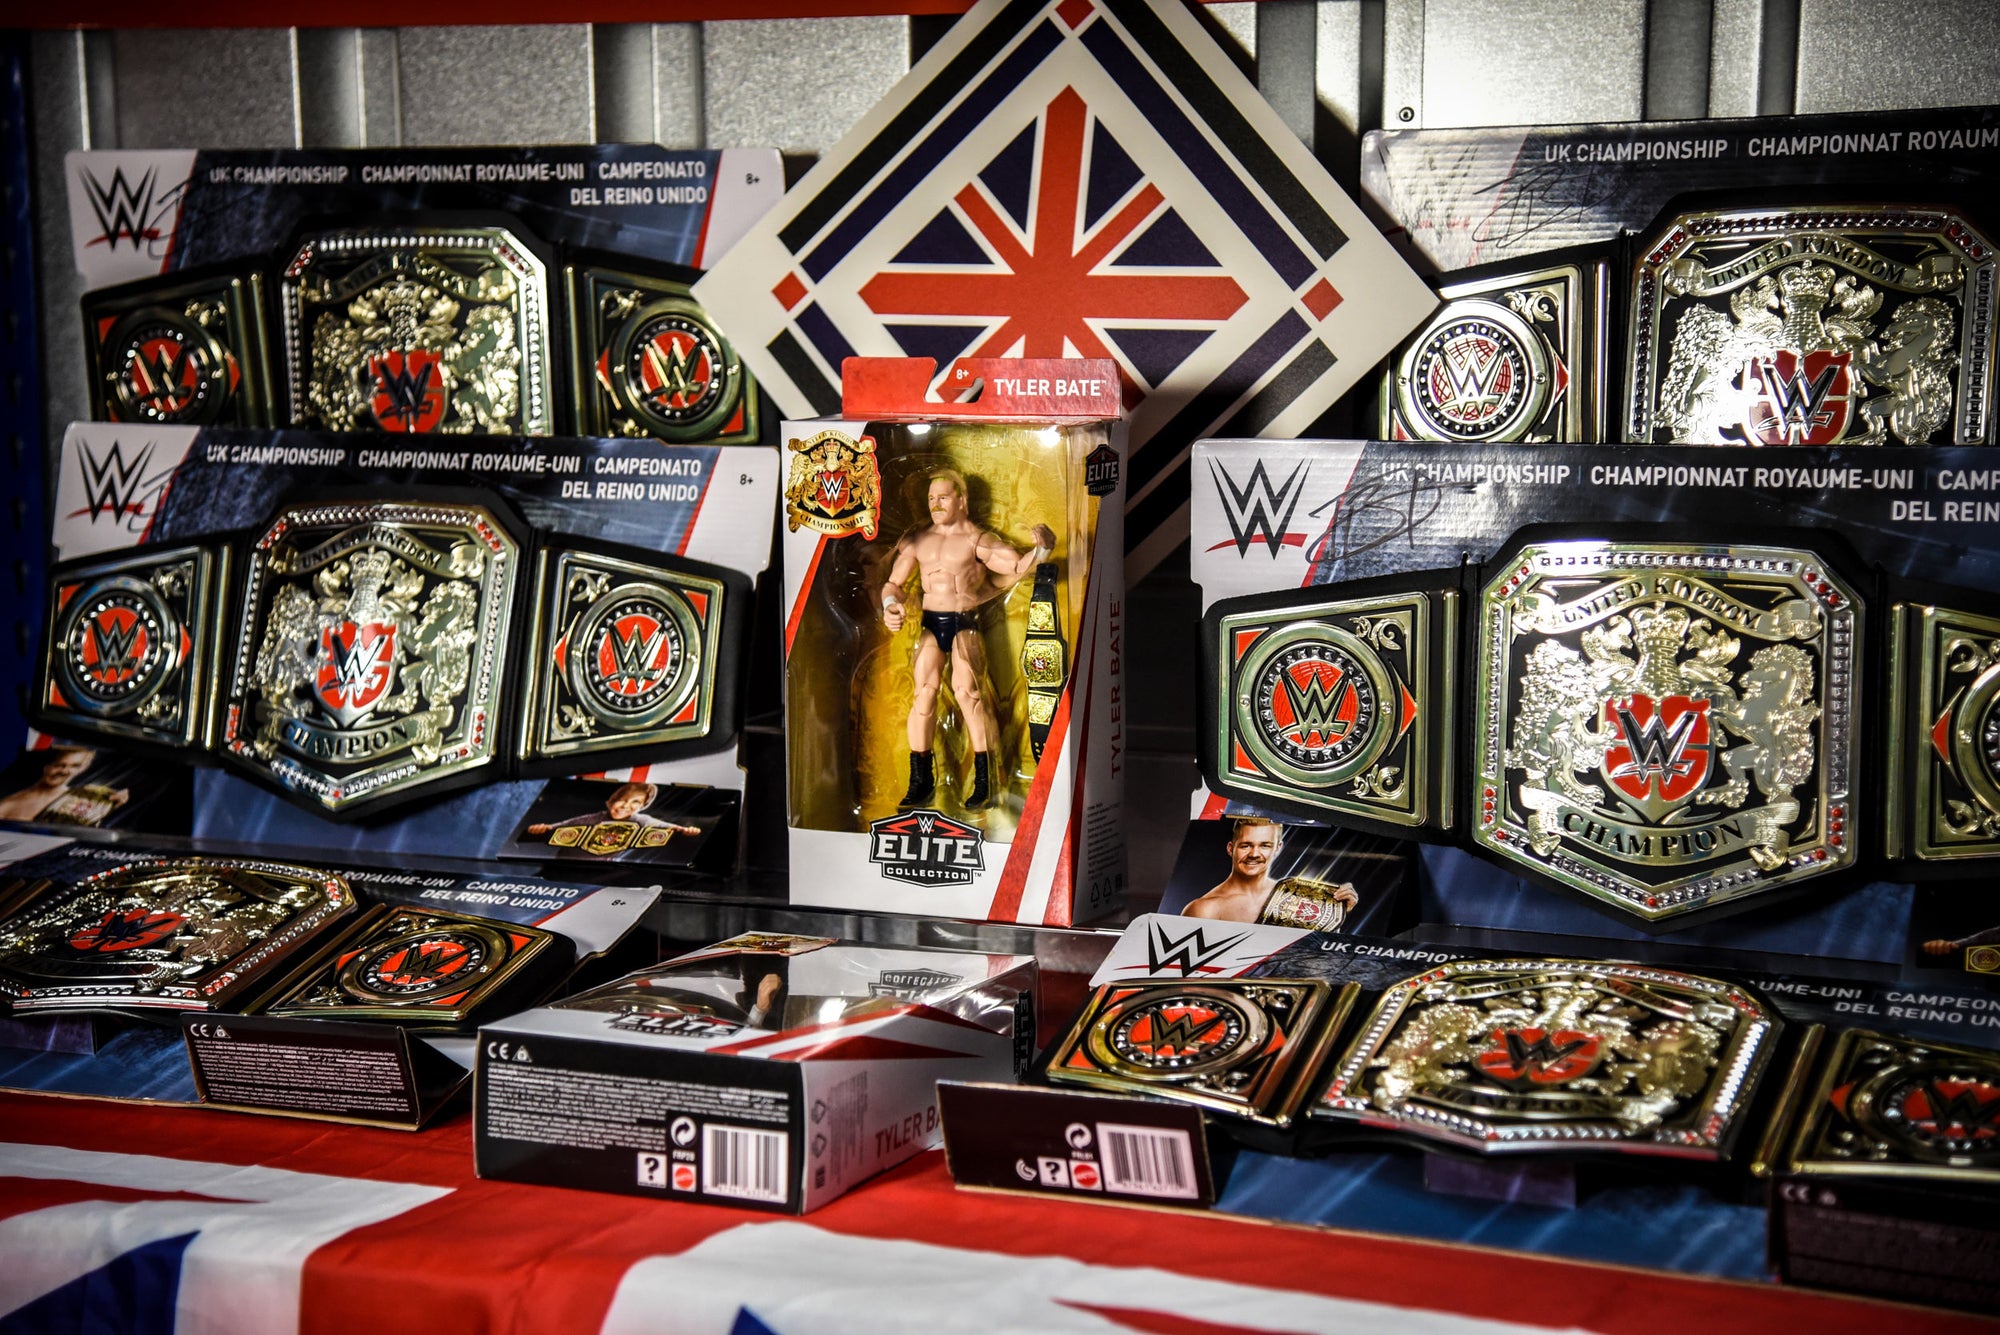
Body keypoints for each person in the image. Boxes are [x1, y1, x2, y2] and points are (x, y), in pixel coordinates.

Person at [881, 469, 1055, 810]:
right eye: (931, 498)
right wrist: (890, 605)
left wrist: (1042, 551)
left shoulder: (976, 539)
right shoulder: (918, 541)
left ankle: (985, 781)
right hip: (931, 623)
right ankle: (920, 781)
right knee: (923, 695)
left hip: (964, 623)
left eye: (943, 497)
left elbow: (1016, 566)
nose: (935, 504)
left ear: (962, 501)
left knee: (969, 695)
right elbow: (893, 584)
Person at [1184, 817, 1360, 929]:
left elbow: (1316, 958)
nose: (1254, 854)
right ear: (1231, 848)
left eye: (1265, 845)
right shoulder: (1204, 909)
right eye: (1246, 845)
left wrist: (1338, 913)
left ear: (1277, 848)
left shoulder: (1297, 895)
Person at [525, 781, 698, 855]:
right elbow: (561, 826)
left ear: (642, 806)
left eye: (635, 802)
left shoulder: (642, 821)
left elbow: (666, 827)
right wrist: (544, 829)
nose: (625, 806)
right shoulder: (593, 818)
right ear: (612, 801)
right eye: (622, 800)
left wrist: (685, 830)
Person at [0, 748, 126, 825]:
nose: (65, 771)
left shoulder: (96, 796)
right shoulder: (8, 805)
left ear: (84, 767)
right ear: (45, 765)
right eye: (58, 765)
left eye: (75, 766)